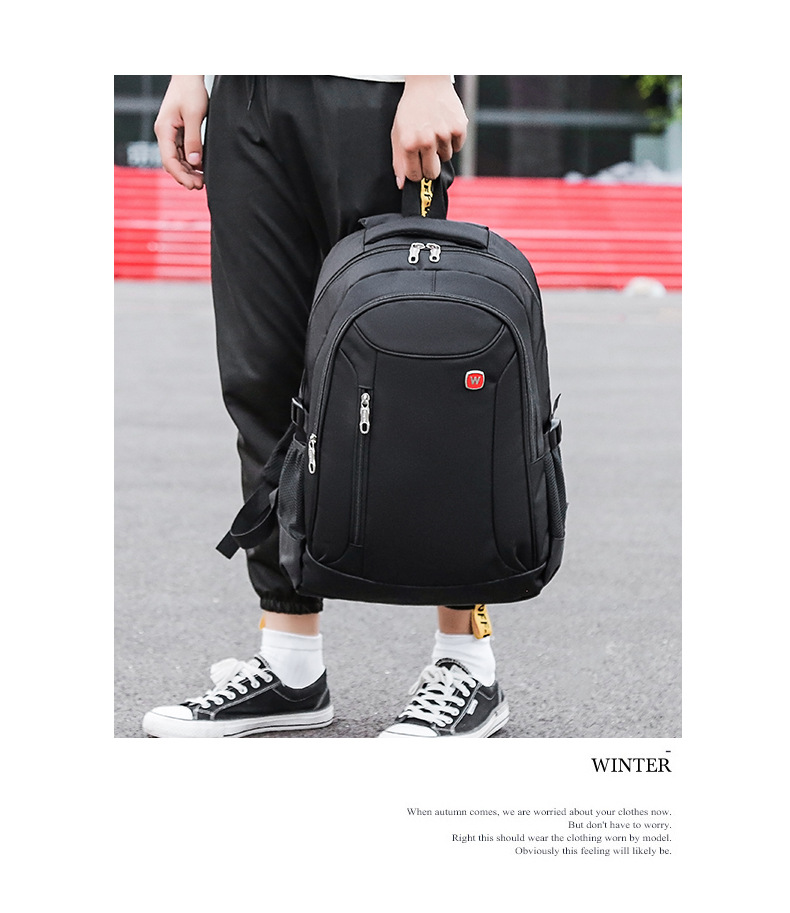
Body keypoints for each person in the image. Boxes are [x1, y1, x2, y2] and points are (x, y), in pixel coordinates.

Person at [142, 75, 509, 738]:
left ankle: (466, 659)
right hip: (247, 90)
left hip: (374, 88)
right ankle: (291, 662)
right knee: (262, 378)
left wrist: (431, 74)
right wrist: (189, 70)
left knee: (419, 373)